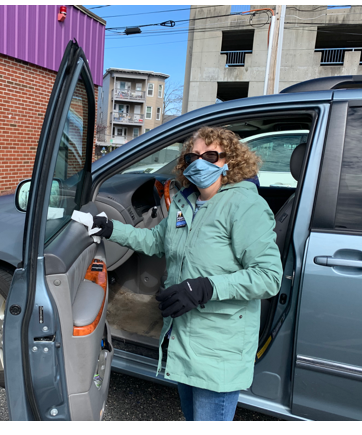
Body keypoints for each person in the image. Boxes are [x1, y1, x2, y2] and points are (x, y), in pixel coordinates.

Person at [82, 126, 281, 420]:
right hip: (183, 339)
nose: (199, 162)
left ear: (230, 161)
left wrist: (206, 288)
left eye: (210, 155)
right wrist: (111, 228)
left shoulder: (245, 205)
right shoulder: (184, 203)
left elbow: (268, 276)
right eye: (192, 157)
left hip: (218, 348)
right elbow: (154, 241)